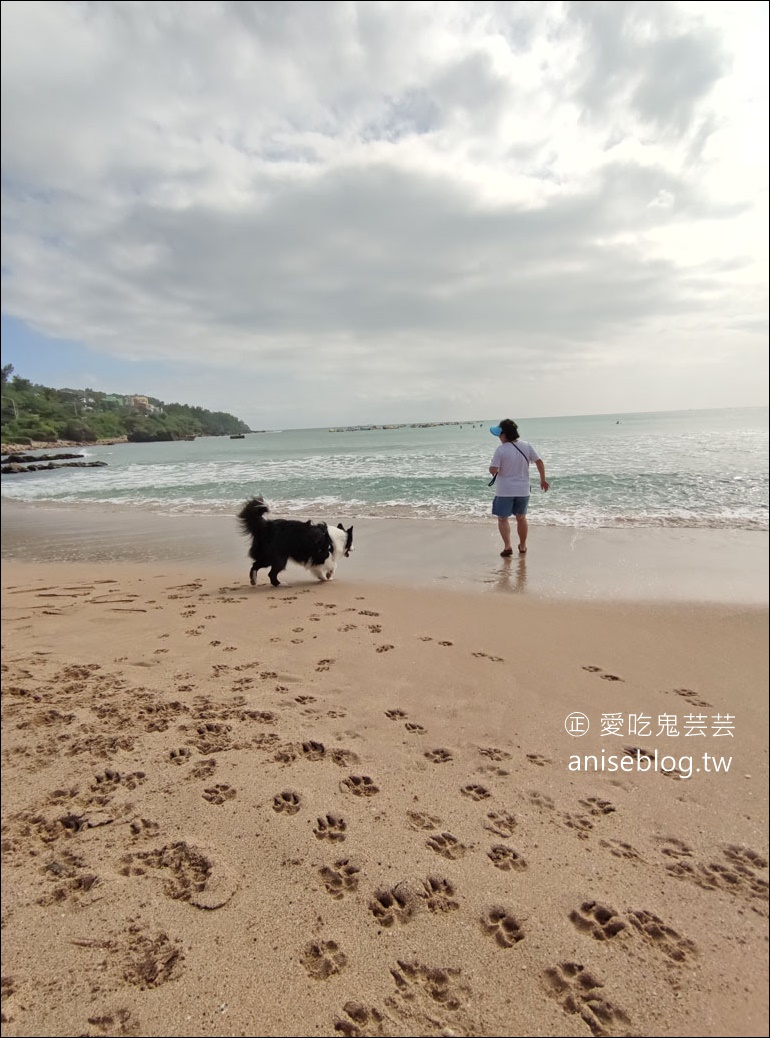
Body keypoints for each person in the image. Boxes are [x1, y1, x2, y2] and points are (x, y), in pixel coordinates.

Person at [488, 418, 549, 556]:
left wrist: (493, 468)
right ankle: (522, 546)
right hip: (523, 490)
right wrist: (543, 480)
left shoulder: (501, 450)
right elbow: (539, 462)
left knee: (503, 519)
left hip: (505, 491)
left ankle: (508, 546)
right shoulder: (527, 446)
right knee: (521, 518)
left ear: (504, 434)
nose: (498, 437)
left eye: (499, 434)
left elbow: (493, 470)